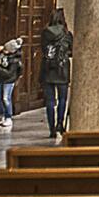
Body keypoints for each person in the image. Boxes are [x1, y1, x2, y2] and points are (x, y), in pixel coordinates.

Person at [40, 7, 73, 138]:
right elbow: (72, 49)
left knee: (50, 101)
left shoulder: (45, 33)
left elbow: (43, 48)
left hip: (48, 69)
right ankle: (61, 123)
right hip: (62, 68)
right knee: (62, 99)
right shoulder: (66, 33)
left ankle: (51, 128)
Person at [0, 36, 23, 131]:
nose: (4, 50)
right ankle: (2, 114)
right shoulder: (3, 53)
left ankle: (9, 117)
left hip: (9, 80)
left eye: (6, 49)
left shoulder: (15, 60)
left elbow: (9, 73)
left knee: (6, 98)